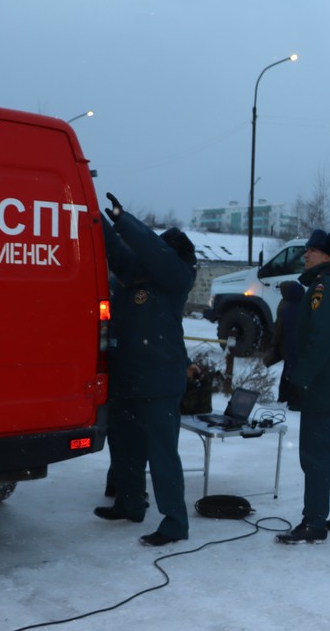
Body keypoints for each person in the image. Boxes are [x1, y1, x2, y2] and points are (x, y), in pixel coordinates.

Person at [96, 193, 197, 547]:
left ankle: (174, 522)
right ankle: (130, 502)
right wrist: (96, 216)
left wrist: (126, 220)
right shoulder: (139, 275)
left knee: (162, 455)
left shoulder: (176, 278)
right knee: (124, 447)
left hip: (158, 382)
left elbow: (153, 252)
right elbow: (116, 249)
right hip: (129, 378)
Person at [277, 229, 330, 544]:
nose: (305, 255)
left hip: (322, 381)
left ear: (327, 256)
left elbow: (319, 339)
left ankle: (314, 522)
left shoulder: (324, 287)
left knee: (315, 454)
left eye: (311, 250)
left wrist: (300, 380)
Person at [269, 280, 305, 403]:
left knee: (288, 371)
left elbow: (279, 327)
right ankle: (290, 397)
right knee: (292, 370)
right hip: (296, 344)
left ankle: (284, 397)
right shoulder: (303, 306)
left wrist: (274, 343)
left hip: (287, 343)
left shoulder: (285, 306)